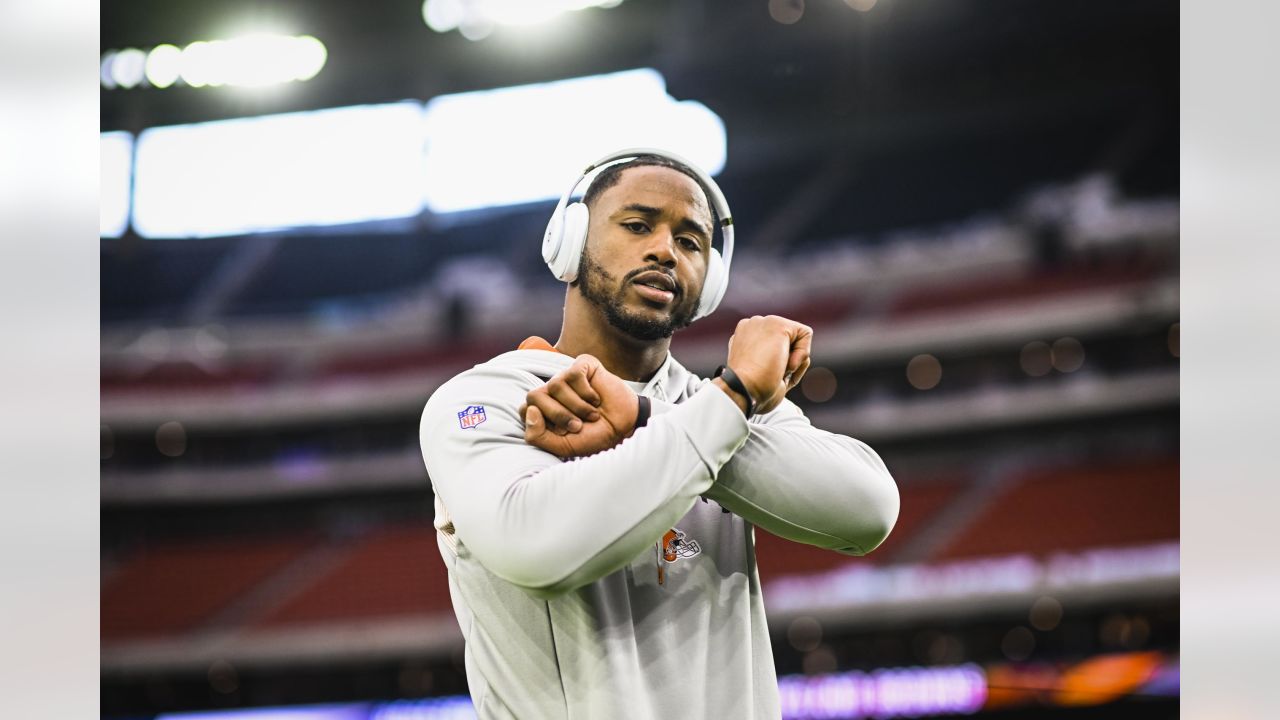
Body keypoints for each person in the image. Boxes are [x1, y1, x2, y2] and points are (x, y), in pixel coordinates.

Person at [419, 148, 899, 719]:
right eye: (638, 224)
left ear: (711, 282)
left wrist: (651, 417)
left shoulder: (723, 400)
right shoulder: (485, 397)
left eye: (691, 242)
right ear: (569, 244)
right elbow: (536, 548)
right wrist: (729, 406)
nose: (665, 250)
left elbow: (867, 510)